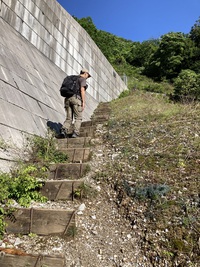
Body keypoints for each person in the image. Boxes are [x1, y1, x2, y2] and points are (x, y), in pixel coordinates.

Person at [60, 69, 91, 138]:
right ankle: (75, 133)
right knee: (78, 117)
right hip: (76, 99)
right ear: (85, 73)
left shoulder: (73, 78)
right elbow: (82, 90)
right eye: (87, 76)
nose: (87, 77)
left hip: (67, 99)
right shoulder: (82, 79)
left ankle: (63, 130)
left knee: (69, 118)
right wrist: (83, 102)